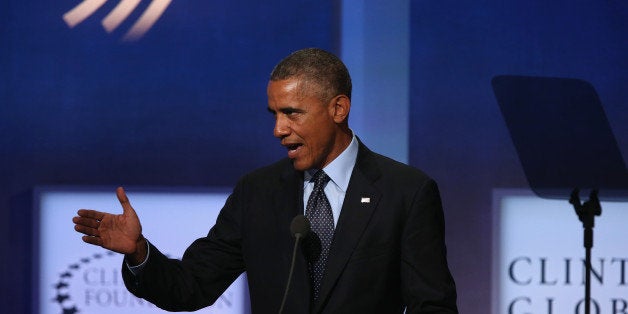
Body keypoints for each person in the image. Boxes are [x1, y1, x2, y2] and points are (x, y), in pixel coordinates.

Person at [73, 48, 458, 313]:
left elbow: (432, 305)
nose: (278, 129)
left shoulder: (404, 192)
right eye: (273, 113)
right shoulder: (257, 192)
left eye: (292, 113)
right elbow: (191, 286)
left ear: (338, 108)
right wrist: (139, 253)